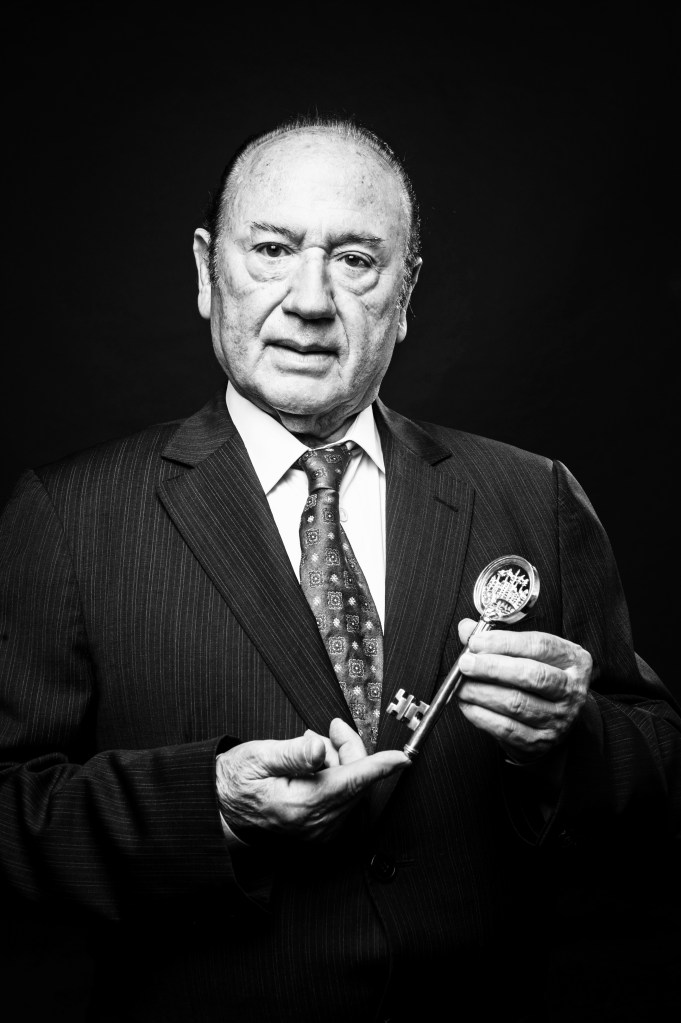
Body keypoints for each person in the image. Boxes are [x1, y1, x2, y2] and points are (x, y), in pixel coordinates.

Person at [1, 117, 679, 1023]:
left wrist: (570, 736)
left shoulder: (535, 495)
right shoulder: (67, 515)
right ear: (205, 271)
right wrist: (208, 807)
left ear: (406, 292)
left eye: (355, 259)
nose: (310, 299)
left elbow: (660, 771)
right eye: (272, 249)